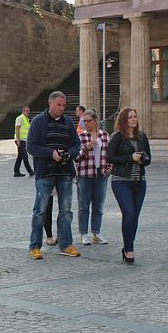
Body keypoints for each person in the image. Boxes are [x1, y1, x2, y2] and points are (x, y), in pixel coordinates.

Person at [26, 91, 81, 259]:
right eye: (59, 105)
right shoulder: (38, 122)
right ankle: (35, 246)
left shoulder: (69, 122)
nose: (61, 108)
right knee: (40, 211)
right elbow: (30, 147)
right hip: (46, 173)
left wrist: (69, 153)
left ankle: (66, 244)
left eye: (64, 105)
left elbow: (76, 144)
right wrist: (51, 153)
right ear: (50, 103)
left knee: (66, 211)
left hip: (64, 173)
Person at [107, 108, 151, 263]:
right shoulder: (117, 137)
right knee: (129, 213)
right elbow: (110, 157)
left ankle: (127, 246)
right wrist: (130, 158)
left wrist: (142, 159)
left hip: (139, 181)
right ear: (124, 120)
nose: (133, 119)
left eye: (135, 117)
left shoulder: (142, 137)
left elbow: (148, 157)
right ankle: (129, 249)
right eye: (130, 117)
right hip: (121, 180)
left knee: (135, 216)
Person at [75, 109, 110, 245]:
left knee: (98, 205)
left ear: (95, 121)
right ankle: (84, 233)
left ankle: (96, 232)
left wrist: (109, 169)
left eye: (88, 121)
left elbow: (110, 156)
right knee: (83, 205)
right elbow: (76, 158)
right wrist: (86, 148)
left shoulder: (105, 136)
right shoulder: (80, 137)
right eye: (84, 121)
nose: (86, 124)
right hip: (85, 175)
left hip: (101, 175)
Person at [13, 105, 34, 177]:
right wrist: (18, 140)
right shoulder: (20, 118)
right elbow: (17, 129)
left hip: (24, 140)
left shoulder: (26, 119)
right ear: (23, 111)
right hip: (20, 140)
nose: (28, 112)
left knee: (20, 156)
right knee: (25, 156)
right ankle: (30, 171)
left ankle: (16, 171)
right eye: (26, 111)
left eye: (29, 111)